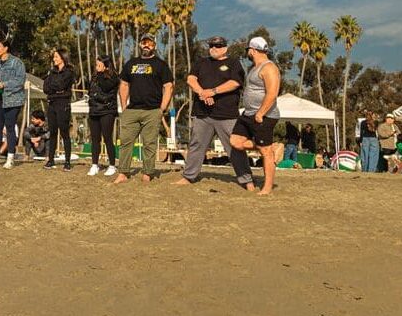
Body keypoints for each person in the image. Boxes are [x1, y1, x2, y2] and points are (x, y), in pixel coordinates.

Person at [174, 36, 254, 190]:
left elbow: (235, 83)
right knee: (196, 145)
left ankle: (246, 179)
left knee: (235, 147)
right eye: (211, 46)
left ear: (225, 48)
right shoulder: (201, 62)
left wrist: (213, 92)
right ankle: (188, 176)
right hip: (203, 114)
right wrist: (202, 93)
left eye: (217, 46)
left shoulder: (233, 63)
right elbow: (191, 79)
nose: (213, 48)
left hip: (227, 114)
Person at [113, 33, 173, 184]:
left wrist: (162, 109)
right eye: (144, 42)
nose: (146, 45)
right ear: (140, 45)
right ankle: (123, 172)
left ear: (154, 46)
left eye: (150, 43)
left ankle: (147, 173)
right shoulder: (131, 63)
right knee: (126, 142)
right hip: (131, 111)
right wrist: (124, 106)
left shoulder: (161, 65)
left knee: (149, 143)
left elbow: (168, 86)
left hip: (152, 111)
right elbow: (124, 84)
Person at [229, 36, 281, 195]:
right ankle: (273, 146)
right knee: (236, 141)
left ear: (252, 50)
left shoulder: (269, 67)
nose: (248, 53)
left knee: (266, 153)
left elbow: (272, 93)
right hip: (248, 114)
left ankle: (267, 188)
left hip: (263, 115)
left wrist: (261, 113)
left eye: (249, 50)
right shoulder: (254, 67)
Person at [0, 38, 27, 170]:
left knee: (9, 128)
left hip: (12, 100)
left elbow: (20, 81)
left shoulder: (16, 63)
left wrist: (5, 84)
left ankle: (10, 158)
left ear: (6, 48)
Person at [43, 48, 76, 170]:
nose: (54, 59)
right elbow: (46, 87)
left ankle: (67, 162)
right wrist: (55, 88)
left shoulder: (69, 72)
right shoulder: (51, 72)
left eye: (56, 57)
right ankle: (50, 160)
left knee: (64, 132)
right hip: (51, 103)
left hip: (63, 104)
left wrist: (55, 87)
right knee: (52, 132)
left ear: (63, 58)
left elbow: (61, 85)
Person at [86, 55, 119, 177]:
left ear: (106, 65)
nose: (96, 67)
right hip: (94, 110)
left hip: (107, 110)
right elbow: (91, 91)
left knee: (107, 137)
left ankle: (112, 165)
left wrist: (101, 73)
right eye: (96, 65)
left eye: (99, 65)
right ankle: (94, 164)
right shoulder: (95, 77)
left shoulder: (113, 77)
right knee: (95, 139)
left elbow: (106, 87)